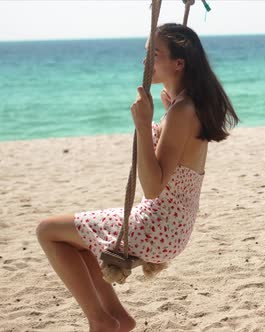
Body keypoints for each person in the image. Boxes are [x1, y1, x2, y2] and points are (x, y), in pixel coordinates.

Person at [36, 23, 239, 332]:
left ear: (178, 62)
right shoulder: (186, 104)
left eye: (153, 54)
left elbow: (154, 187)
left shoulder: (184, 109)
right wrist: (163, 115)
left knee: (47, 230)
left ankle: (101, 319)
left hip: (156, 224)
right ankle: (116, 317)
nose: (145, 62)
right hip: (173, 228)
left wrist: (144, 126)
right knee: (75, 239)